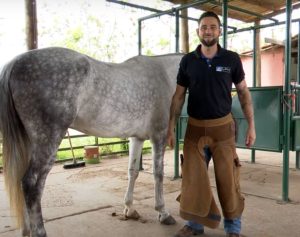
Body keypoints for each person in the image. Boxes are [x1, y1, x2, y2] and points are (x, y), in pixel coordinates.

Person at [167, 11, 256, 237]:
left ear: (219, 31)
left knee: (228, 179)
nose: (208, 30)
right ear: (198, 31)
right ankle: (195, 226)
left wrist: (252, 125)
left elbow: (244, 93)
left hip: (223, 129)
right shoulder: (188, 61)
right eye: (204, 27)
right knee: (193, 179)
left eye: (212, 27)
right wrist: (170, 128)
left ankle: (233, 229)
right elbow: (178, 97)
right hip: (194, 130)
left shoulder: (231, 59)